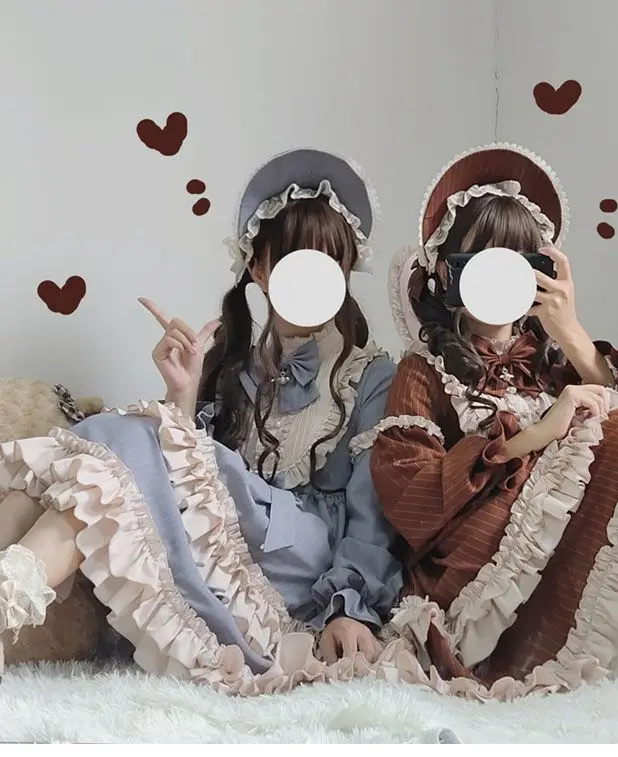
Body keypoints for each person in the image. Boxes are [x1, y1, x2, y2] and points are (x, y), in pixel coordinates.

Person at [0, 148, 403, 687]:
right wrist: (182, 394)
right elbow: (181, 493)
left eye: (329, 263)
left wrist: (349, 606)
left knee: (134, 430)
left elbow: (371, 513)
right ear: (259, 270)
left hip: (305, 558)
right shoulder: (236, 366)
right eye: (294, 261)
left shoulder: (372, 374)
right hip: (236, 548)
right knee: (115, 451)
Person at [370, 143, 618, 692]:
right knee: (617, 431)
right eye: (481, 264)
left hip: (584, 543)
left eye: (518, 265)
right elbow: (411, 496)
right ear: (449, 273)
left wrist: (570, 332)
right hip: (489, 562)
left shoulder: (550, 359)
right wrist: (536, 436)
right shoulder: (424, 368)